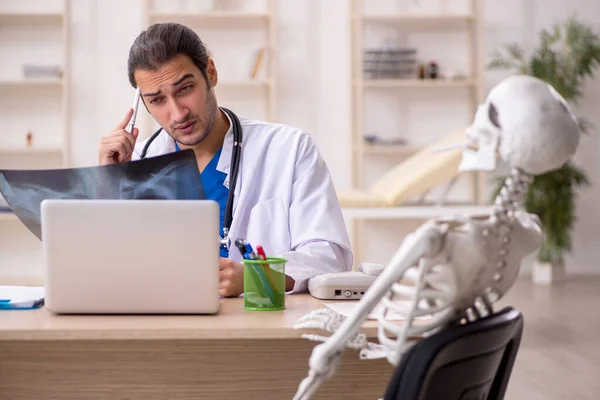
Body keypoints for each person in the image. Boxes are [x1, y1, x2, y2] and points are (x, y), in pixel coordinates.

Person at [98, 22, 353, 297]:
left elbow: (330, 255)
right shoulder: (136, 164)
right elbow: (107, 269)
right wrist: (108, 184)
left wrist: (256, 276)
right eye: (157, 100)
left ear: (210, 73)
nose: (177, 113)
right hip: (162, 322)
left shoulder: (289, 149)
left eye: (185, 89)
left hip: (256, 327)